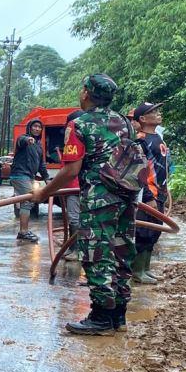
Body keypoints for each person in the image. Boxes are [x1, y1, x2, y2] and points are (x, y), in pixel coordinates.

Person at [34, 74, 137, 336]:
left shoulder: (79, 125)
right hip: (126, 197)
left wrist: (42, 193)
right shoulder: (125, 122)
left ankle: (101, 317)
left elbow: (71, 170)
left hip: (99, 200)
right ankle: (118, 316)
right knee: (121, 251)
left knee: (97, 254)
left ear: (86, 94)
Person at [132, 102, 170, 284]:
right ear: (143, 119)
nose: (158, 113)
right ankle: (137, 271)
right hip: (147, 195)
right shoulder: (140, 140)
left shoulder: (158, 137)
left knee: (155, 233)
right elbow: (139, 171)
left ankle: (146, 268)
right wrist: (147, 196)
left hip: (160, 192)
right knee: (144, 232)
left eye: (157, 110)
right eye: (152, 112)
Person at [9, 119, 49, 242]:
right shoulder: (24, 138)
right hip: (20, 175)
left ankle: (24, 231)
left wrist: (47, 178)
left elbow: (41, 164)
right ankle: (23, 232)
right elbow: (21, 141)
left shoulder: (39, 146)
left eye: (39, 127)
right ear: (30, 128)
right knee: (28, 201)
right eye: (34, 126)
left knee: (28, 201)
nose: (37, 129)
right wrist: (27, 140)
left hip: (29, 176)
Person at [61, 110, 85, 262]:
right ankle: (76, 248)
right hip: (80, 186)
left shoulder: (77, 136)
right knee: (77, 218)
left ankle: (76, 250)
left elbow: (71, 169)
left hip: (77, 185)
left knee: (75, 218)